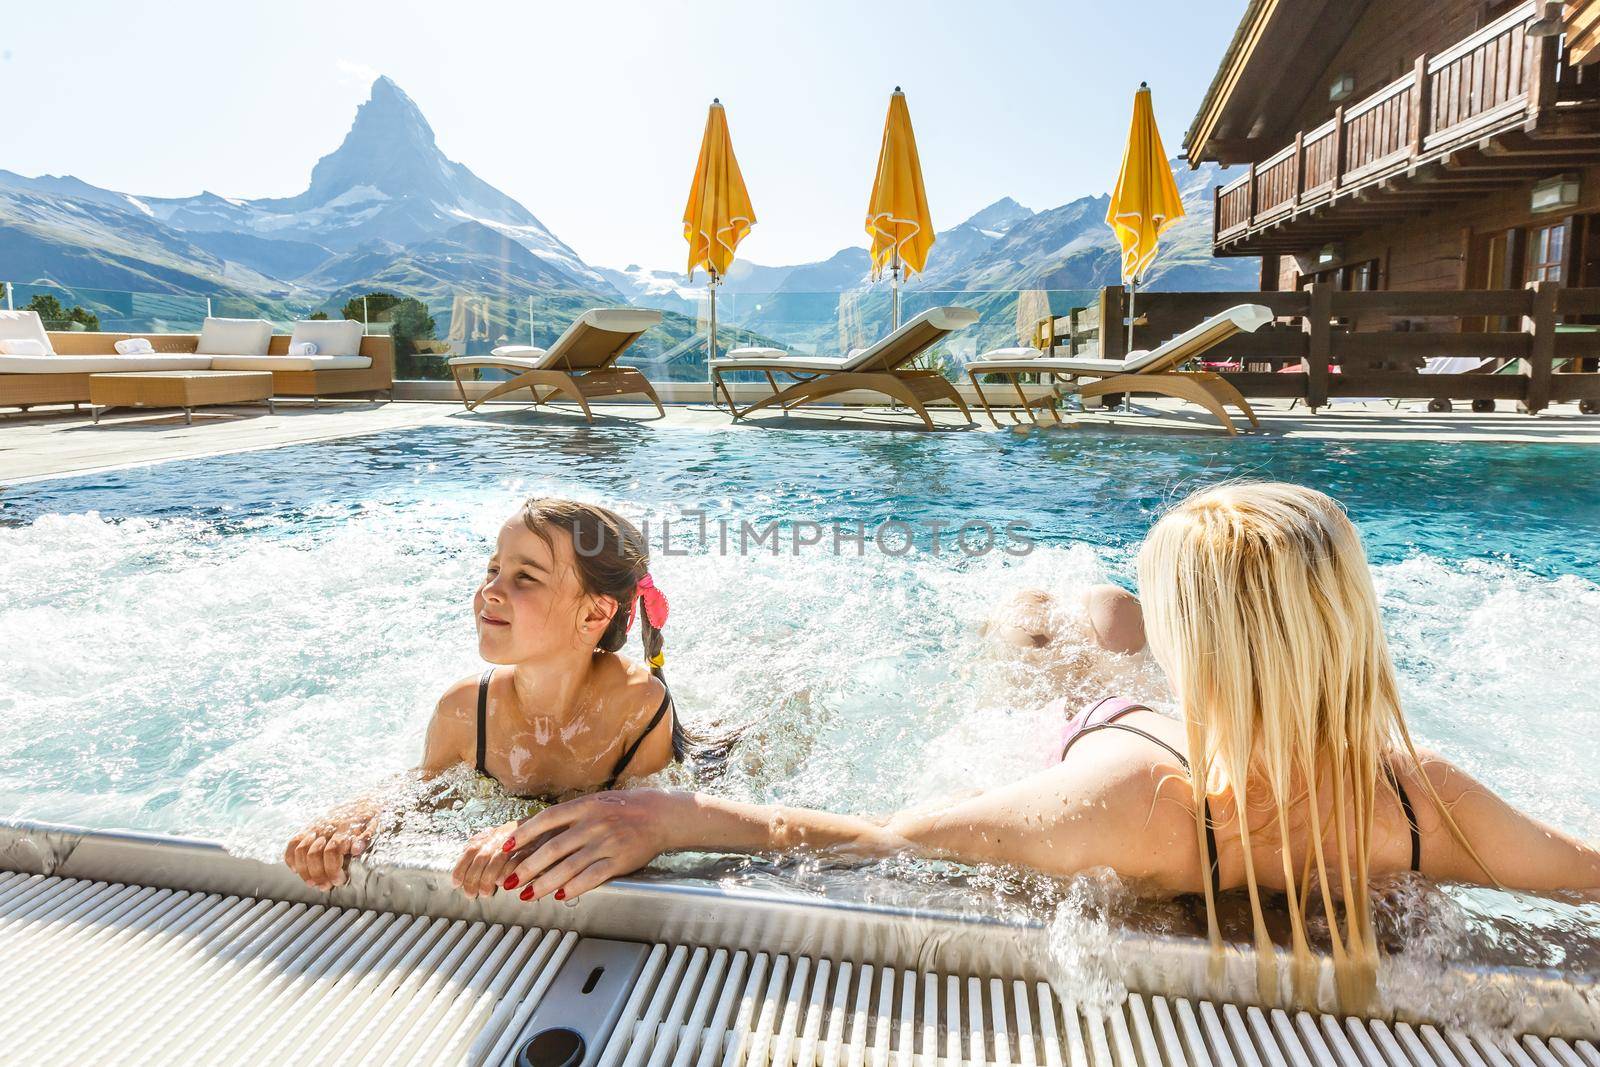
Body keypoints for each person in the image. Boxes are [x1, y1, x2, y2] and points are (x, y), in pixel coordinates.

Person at [489, 483, 1600, 1009]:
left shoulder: (1131, 798)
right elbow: (1584, 869)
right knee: (1092, 615)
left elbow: (867, 836)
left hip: (1105, 726)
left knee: (1039, 621)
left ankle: (1040, 608)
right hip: (1224, 710)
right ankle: (1085, 606)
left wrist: (667, 814)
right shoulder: (1419, 798)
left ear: (1200, 640)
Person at [283, 498, 685, 897]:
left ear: (593, 615)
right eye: (494, 569)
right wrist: (363, 811)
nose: (491, 590)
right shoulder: (465, 710)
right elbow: (421, 794)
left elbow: (636, 823)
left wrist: (523, 830)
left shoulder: (638, 707)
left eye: (525, 576)